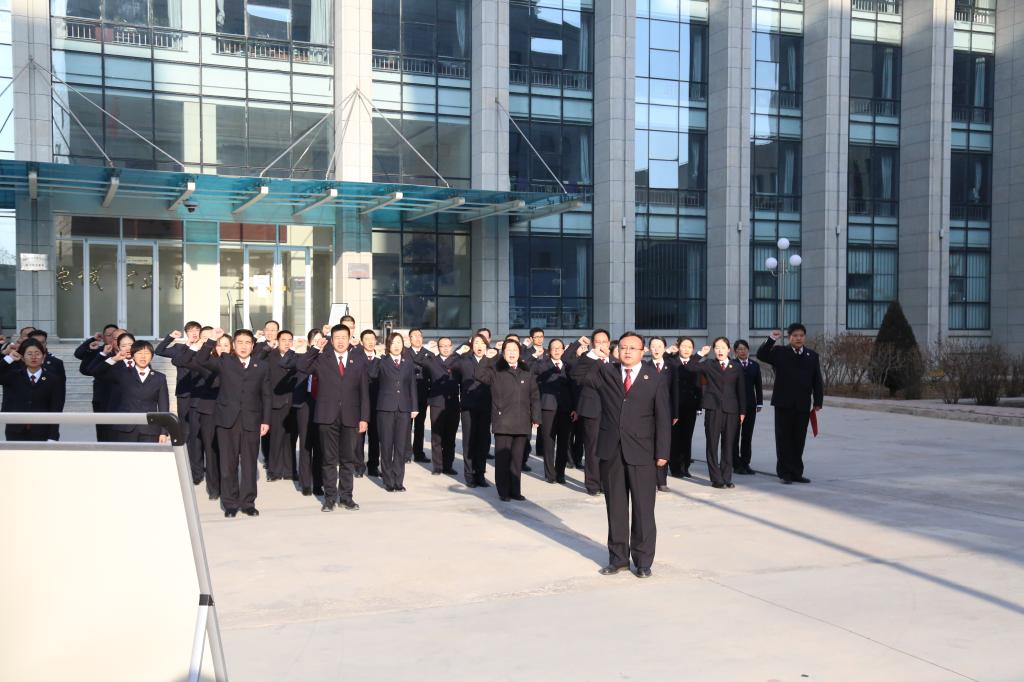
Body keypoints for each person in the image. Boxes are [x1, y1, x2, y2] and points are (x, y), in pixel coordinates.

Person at [572, 332, 671, 578]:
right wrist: (593, 354)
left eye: (632, 348)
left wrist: (662, 452)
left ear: (642, 351)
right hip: (612, 451)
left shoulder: (654, 378)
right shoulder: (607, 372)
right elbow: (577, 374)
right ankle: (618, 559)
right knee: (616, 508)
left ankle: (643, 561)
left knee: (643, 509)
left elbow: (663, 417)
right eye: (623, 347)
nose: (627, 351)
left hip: (643, 452)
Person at [195, 329, 271, 518]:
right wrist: (211, 340)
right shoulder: (225, 362)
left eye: (247, 342)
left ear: (253, 346)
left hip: (252, 420)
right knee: (228, 464)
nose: (243, 346)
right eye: (240, 342)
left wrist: (266, 420)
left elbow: (266, 395)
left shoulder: (261, 366)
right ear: (234, 345)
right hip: (226, 421)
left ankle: (248, 503)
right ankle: (230, 503)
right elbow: (201, 360)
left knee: (249, 464)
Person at [295, 324, 369, 512]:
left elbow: (364, 392)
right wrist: (315, 348)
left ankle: (346, 497)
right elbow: (301, 366)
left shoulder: (358, 360)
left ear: (349, 338)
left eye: (344, 337)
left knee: (347, 460)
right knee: (328, 460)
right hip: (327, 416)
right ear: (331, 340)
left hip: (351, 417)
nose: (341, 341)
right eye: (337, 337)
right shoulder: (322, 359)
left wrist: (364, 418)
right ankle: (329, 499)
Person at [756, 324, 823, 484]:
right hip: (783, 403)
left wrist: (818, 401)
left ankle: (796, 472)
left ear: (804, 337)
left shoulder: (812, 356)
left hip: (802, 404)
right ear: (789, 337)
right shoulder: (780, 352)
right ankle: (785, 472)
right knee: (783, 439)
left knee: (799, 439)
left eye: (801, 335)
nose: (798, 338)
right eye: (795, 336)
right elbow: (761, 354)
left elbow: (817, 380)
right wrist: (771, 339)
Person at [475, 340, 540, 502]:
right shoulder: (496, 370)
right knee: (503, 460)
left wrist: (536, 417)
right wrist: (487, 358)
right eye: (508, 350)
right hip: (503, 422)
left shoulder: (526, 371)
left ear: (519, 353)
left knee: (517, 460)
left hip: (522, 422)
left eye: (515, 350)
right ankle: (503, 491)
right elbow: (479, 375)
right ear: (503, 353)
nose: (512, 353)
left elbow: (534, 395)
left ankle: (515, 491)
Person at [87, 340, 171, 443]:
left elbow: (164, 406)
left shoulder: (160, 378)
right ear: (133, 356)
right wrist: (114, 359)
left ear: (152, 356)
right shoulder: (123, 374)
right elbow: (94, 371)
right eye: (139, 353)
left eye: (146, 353)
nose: (143, 357)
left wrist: (163, 432)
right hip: (125, 428)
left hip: (150, 429)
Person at [689, 337, 746, 489]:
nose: (720, 351)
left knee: (728, 445)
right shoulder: (709, 364)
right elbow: (690, 367)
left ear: (729, 350)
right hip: (713, 409)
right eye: (717, 348)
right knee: (712, 444)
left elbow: (741, 389)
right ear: (714, 350)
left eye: (723, 347)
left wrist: (742, 411)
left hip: (731, 410)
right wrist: (700, 354)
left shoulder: (736, 366)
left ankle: (727, 477)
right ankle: (716, 479)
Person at [368, 332, 418, 492]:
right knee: (386, 445)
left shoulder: (408, 363)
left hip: (404, 408)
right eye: (393, 342)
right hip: (385, 408)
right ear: (388, 345)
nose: (396, 346)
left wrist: (414, 407)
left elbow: (412, 385)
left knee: (401, 446)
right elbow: (371, 374)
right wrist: (376, 357)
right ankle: (388, 481)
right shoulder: (382, 362)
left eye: (399, 342)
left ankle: (398, 481)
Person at [155, 323, 204, 481]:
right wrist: (170, 337)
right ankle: (186, 466)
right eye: (191, 331)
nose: (194, 333)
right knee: (185, 431)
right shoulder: (179, 348)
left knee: (200, 432)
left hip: (201, 394)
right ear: (186, 333)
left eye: (197, 330)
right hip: (184, 394)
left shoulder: (203, 348)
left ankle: (198, 468)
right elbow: (159, 351)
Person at [566, 330, 608, 496]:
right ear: (592, 343)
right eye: (598, 341)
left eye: (604, 341)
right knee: (592, 448)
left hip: (612, 411)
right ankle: (593, 484)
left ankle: (606, 483)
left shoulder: (614, 360)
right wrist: (592, 356)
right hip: (592, 410)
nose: (601, 345)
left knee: (609, 449)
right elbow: (574, 374)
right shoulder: (587, 359)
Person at [0, 338, 66, 441]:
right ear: (23, 357)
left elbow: (56, 408)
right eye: (29, 354)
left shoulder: (53, 380)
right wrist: (8, 358)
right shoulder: (14, 376)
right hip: (15, 431)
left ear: (43, 356)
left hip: (42, 431)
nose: (34, 357)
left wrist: (53, 436)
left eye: (37, 353)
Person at [450, 334, 492, 488]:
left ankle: (480, 474)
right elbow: (448, 364)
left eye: (482, 343)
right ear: (471, 346)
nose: (479, 346)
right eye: (476, 343)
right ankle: (469, 475)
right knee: (469, 441)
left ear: (486, 345)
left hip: (486, 406)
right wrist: (459, 351)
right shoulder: (464, 360)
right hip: (468, 407)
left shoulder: (491, 361)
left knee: (483, 441)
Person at [415, 337, 461, 475]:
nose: (445, 348)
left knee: (450, 437)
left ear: (452, 346)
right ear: (438, 348)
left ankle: (448, 465)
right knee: (437, 436)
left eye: (448, 346)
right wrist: (427, 348)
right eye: (442, 346)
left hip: (453, 403)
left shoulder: (457, 360)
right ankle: (438, 467)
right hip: (437, 403)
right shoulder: (432, 360)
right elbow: (417, 359)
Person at [286, 329, 324, 496]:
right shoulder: (303, 357)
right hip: (304, 404)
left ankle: (318, 483)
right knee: (305, 445)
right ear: (310, 342)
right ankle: (305, 483)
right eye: (315, 340)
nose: (319, 342)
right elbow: (285, 363)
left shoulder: (327, 358)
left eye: (321, 340)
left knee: (320, 445)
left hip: (322, 404)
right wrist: (295, 348)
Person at [532, 338, 574, 484]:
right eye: (553, 348)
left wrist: (574, 408)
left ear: (563, 350)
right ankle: (550, 474)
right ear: (549, 351)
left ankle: (560, 473)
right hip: (548, 409)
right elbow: (530, 369)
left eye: (559, 348)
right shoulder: (542, 364)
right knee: (548, 443)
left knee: (563, 443)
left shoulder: (568, 366)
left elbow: (573, 388)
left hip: (565, 410)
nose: (556, 350)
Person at [258, 330, 298, 482]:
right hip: (276, 403)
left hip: (292, 403)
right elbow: (256, 360)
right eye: (283, 340)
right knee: (276, 438)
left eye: (289, 340)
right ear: (278, 341)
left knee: (290, 439)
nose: (287, 343)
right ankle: (274, 471)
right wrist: (267, 348)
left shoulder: (295, 356)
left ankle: (290, 471)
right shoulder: (270, 356)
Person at [81, 331, 136, 442]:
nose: (128, 348)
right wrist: (112, 358)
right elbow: (92, 370)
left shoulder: (142, 361)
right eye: (124, 345)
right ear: (118, 346)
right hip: (115, 411)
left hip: (137, 413)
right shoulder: (111, 363)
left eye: (130, 344)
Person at [73, 324, 119, 441]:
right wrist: (93, 339)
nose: (112, 338)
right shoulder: (99, 351)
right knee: (103, 431)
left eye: (115, 335)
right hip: (102, 396)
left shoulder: (125, 353)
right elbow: (79, 354)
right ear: (103, 337)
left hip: (120, 397)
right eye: (108, 335)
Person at [667, 336, 702, 479]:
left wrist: (699, 405)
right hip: (675, 406)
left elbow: (700, 386)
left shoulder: (697, 365)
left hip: (690, 406)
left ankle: (685, 466)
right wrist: (668, 351)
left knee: (687, 437)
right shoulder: (672, 362)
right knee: (675, 437)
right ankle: (675, 467)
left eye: (689, 347)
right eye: (684, 346)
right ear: (678, 348)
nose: (686, 349)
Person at [646, 337, 676, 493]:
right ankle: (650, 480)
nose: (656, 349)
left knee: (663, 444)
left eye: (659, 346)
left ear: (664, 348)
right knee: (650, 445)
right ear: (648, 349)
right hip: (648, 412)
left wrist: (675, 412)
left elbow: (675, 391)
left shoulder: (671, 367)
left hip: (665, 411)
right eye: (653, 346)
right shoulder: (645, 367)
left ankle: (662, 481)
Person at [732, 340, 763, 475]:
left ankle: (746, 463)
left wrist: (759, 402)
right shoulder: (732, 364)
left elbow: (758, 385)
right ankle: (735, 463)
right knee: (734, 436)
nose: (742, 351)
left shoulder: (754, 365)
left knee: (747, 435)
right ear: (735, 352)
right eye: (740, 349)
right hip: (735, 406)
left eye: (745, 349)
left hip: (750, 405)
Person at [356, 329, 381, 477]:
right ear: (361, 342)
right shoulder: (356, 359)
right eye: (367, 339)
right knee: (359, 437)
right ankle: (359, 466)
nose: (370, 342)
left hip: (377, 404)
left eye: (373, 339)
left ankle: (373, 466)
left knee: (375, 437)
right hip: (359, 404)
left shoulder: (381, 360)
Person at [406, 328, 431, 463]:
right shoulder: (404, 352)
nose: (417, 338)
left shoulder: (429, 354)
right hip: (407, 395)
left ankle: (419, 453)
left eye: (419, 336)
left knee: (420, 426)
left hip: (422, 394)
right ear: (409, 339)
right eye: (414, 336)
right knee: (406, 426)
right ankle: (406, 453)